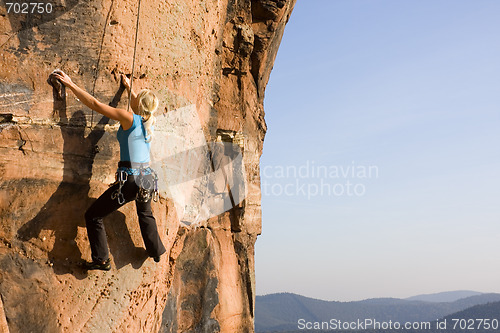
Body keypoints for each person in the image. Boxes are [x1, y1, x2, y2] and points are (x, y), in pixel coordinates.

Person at [50, 70, 166, 271]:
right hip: (146, 178)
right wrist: (129, 88)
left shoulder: (128, 117)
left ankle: (101, 259)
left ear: (139, 105)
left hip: (130, 180)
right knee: (145, 215)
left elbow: (96, 105)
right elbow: (141, 102)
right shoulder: (150, 122)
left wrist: (70, 84)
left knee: (93, 215)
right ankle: (155, 251)